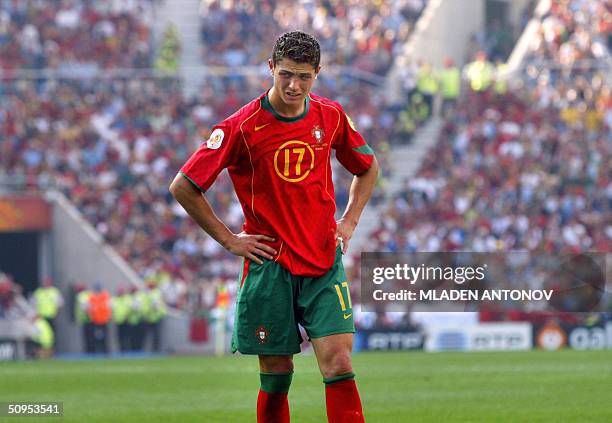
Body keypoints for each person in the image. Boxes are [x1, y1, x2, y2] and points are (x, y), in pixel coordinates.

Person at [170, 31, 378, 423]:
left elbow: (367, 168)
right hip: (271, 267)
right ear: (270, 68)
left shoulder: (330, 116)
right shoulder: (241, 127)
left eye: (303, 76)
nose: (294, 85)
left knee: (338, 363)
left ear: (318, 73)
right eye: (285, 74)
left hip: (322, 261)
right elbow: (184, 186)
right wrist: (230, 240)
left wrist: (349, 222)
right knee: (277, 374)